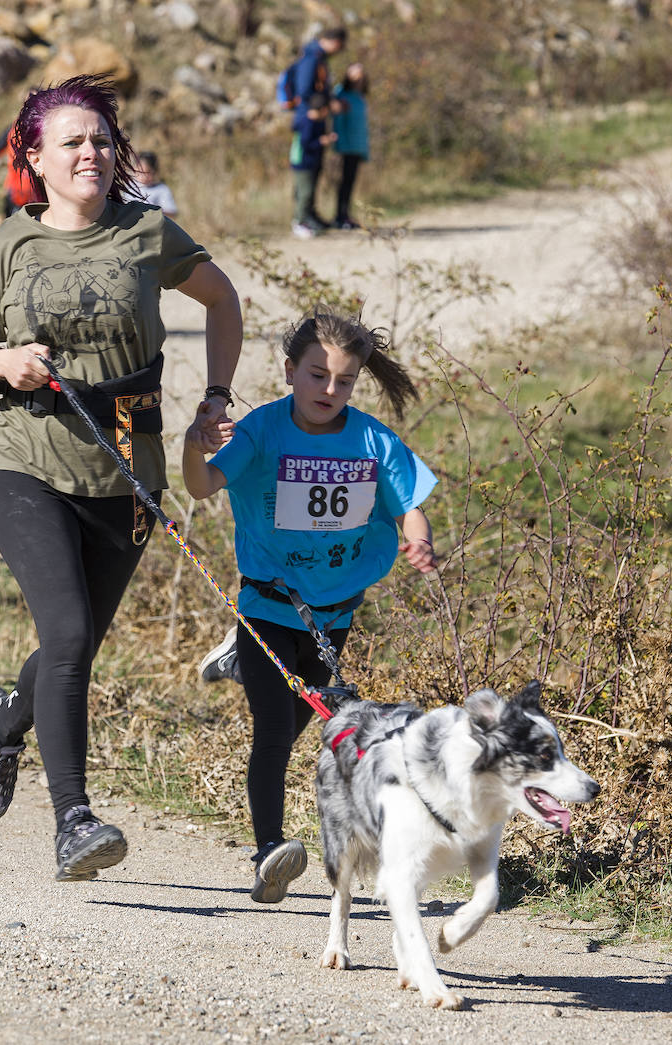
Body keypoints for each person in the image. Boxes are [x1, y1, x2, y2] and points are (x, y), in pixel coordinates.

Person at [0, 75, 242, 883]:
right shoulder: (7, 246)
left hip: (125, 469)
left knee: (73, 643)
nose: (91, 152)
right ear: (33, 157)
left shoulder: (147, 232)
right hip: (21, 458)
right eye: (71, 141)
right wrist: (2, 359)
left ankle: (5, 724)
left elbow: (224, 300)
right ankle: (74, 820)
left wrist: (216, 397)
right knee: (69, 633)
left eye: (102, 140)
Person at [181, 312, 438, 903]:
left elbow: (408, 505)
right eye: (317, 375)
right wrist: (194, 447)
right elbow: (200, 487)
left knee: (300, 728)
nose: (329, 390)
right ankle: (269, 851)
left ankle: (238, 663)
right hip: (268, 607)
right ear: (290, 370)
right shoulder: (263, 431)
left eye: (344, 381)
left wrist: (418, 538)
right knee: (273, 729)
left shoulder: (372, 440)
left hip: (333, 616)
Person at [331, 62, 370, 230]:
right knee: (344, 182)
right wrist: (339, 143)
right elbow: (337, 120)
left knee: (351, 182)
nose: (358, 77)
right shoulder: (341, 93)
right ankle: (340, 216)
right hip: (346, 145)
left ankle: (345, 214)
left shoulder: (360, 95)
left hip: (358, 146)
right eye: (355, 73)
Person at [291, 92, 335, 238]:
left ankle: (306, 220)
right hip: (303, 163)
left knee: (308, 193)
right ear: (323, 109)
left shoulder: (317, 122)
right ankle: (299, 222)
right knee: (304, 193)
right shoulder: (307, 122)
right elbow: (306, 144)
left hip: (311, 163)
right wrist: (321, 141)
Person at [280, 25, 347, 111]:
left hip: (310, 111)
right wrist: (327, 103)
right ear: (336, 42)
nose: (337, 52)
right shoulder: (312, 57)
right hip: (308, 113)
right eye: (340, 47)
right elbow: (304, 90)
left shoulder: (317, 56)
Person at [130, 150, 178, 218]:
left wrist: (151, 212)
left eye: (147, 172)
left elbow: (172, 213)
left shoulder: (161, 189)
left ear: (154, 171)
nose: (143, 176)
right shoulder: (128, 187)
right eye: (140, 172)